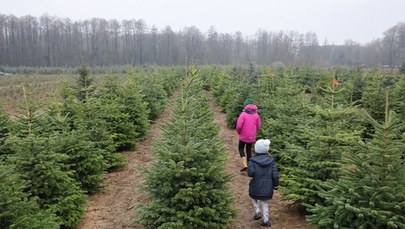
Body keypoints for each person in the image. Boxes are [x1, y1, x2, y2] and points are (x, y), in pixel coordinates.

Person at [248, 139, 279, 227]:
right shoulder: (271, 161)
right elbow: (275, 175)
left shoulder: (252, 161)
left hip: (255, 185)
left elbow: (250, 173)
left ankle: (257, 211)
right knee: (265, 202)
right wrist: (276, 185)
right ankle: (266, 220)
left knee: (253, 197)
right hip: (268, 187)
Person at [236, 99, 261, 171]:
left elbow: (239, 126)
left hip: (243, 135)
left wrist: (239, 132)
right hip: (252, 136)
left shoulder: (243, 114)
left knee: (241, 148)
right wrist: (253, 131)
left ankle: (244, 165)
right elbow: (259, 126)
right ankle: (250, 167)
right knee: (248, 149)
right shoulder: (256, 115)